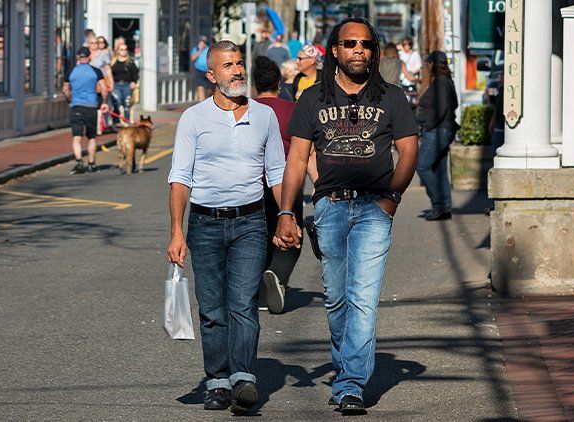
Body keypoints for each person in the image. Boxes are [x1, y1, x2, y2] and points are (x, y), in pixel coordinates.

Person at [274, 18, 419, 415]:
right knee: (337, 299)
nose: (359, 49)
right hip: (330, 207)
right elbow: (297, 159)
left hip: (375, 208)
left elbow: (408, 151)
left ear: (373, 51)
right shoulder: (312, 99)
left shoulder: (391, 97)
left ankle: (350, 383)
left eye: (367, 44)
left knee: (363, 298)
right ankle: (345, 368)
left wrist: (392, 198)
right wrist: (287, 211)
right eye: (350, 43)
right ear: (334, 50)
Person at [167, 40, 287, 415]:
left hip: (251, 221)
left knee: (243, 304)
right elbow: (180, 177)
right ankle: (217, 381)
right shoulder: (194, 118)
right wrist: (177, 231)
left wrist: (286, 215)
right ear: (212, 75)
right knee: (213, 308)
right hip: (204, 223)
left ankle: (244, 378)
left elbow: (278, 173)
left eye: (239, 64)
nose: (237, 71)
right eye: (228, 65)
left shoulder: (264, 116)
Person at [252, 56, 301, 314]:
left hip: (253, 183)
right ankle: (277, 274)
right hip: (286, 181)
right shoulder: (290, 109)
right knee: (290, 235)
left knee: (259, 236)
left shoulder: (247, 109)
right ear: (279, 84)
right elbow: (304, 149)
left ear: (254, 85)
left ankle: (259, 293)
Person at [415, 50, 459, 221]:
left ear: (433, 64)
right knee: (440, 170)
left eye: (428, 63)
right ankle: (445, 206)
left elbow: (441, 109)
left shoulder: (440, 82)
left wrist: (428, 125)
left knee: (423, 166)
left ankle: (438, 204)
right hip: (443, 129)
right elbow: (453, 104)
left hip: (437, 130)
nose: (427, 67)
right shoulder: (447, 81)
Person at [62, 47, 110, 174]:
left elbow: (65, 89)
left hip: (76, 106)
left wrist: (70, 100)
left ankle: (79, 162)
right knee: (91, 137)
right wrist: (104, 103)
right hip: (91, 106)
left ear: (78, 57)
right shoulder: (95, 71)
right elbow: (104, 88)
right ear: (89, 57)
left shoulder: (71, 71)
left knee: (76, 137)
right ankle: (91, 163)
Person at [87, 35, 115, 133]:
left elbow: (108, 69)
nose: (95, 45)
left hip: (101, 83)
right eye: (92, 43)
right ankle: (92, 125)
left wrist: (111, 82)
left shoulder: (103, 54)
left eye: (97, 43)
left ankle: (101, 126)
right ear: (88, 44)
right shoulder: (86, 54)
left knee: (102, 104)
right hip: (89, 83)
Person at [110, 43, 139, 125]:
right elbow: (109, 74)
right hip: (116, 85)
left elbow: (136, 74)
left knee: (126, 105)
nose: (124, 51)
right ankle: (116, 122)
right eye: (121, 49)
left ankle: (127, 122)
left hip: (127, 85)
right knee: (117, 102)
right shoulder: (113, 62)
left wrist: (134, 82)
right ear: (118, 51)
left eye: (125, 49)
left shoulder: (130, 62)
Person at [191, 36, 212, 101]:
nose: (202, 44)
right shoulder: (196, 49)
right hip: (199, 70)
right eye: (201, 42)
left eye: (204, 42)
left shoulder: (208, 49)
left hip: (207, 71)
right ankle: (201, 102)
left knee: (209, 89)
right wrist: (200, 50)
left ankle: (207, 100)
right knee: (200, 86)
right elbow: (192, 58)